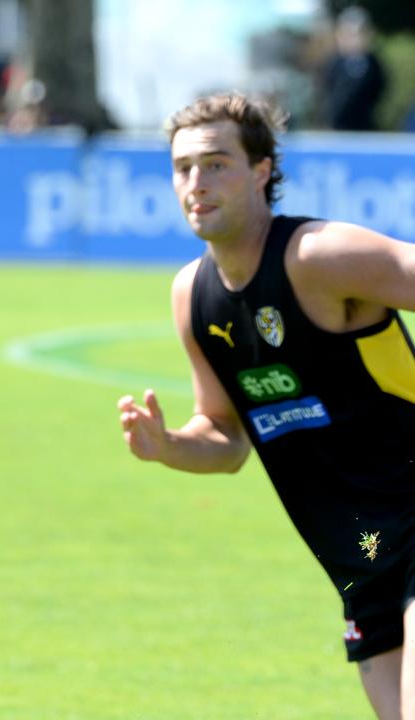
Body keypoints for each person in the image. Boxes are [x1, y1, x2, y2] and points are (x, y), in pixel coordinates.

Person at [118, 92, 415, 719]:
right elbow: (225, 439)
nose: (197, 183)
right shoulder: (193, 297)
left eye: (217, 163)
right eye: (183, 168)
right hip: (360, 557)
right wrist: (170, 446)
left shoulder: (321, 257)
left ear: (261, 169)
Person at [323, 6, 386, 131]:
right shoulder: (335, 62)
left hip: (363, 128)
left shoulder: (371, 63)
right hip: (337, 129)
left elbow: (378, 89)